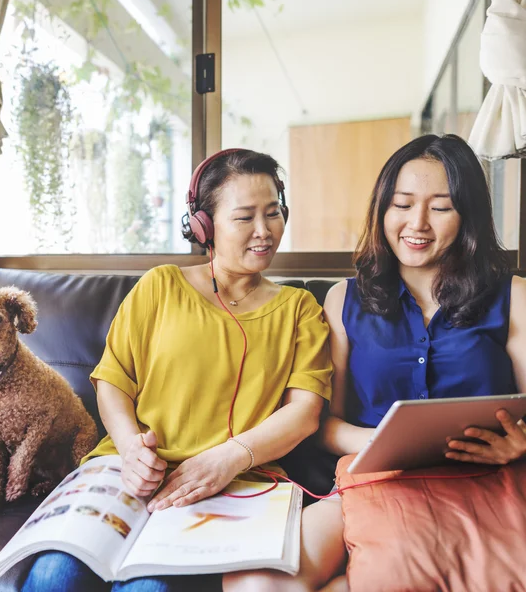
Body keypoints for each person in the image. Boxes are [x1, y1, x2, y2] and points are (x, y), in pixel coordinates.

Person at [223, 134, 526, 592]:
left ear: (469, 216)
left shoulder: (515, 296)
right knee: (254, 582)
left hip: (486, 481)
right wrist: (386, 442)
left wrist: (520, 446)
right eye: (401, 204)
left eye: (441, 207)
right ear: (382, 209)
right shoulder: (344, 300)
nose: (417, 223)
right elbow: (325, 425)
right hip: (376, 478)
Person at [21, 148, 333, 592]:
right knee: (53, 576)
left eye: (273, 213)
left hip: (234, 481)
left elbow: (304, 413)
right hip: (127, 471)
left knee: (149, 589)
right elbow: (113, 380)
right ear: (204, 226)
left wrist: (227, 458)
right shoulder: (160, 285)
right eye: (244, 218)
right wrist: (130, 448)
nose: (264, 232)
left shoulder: (300, 309)